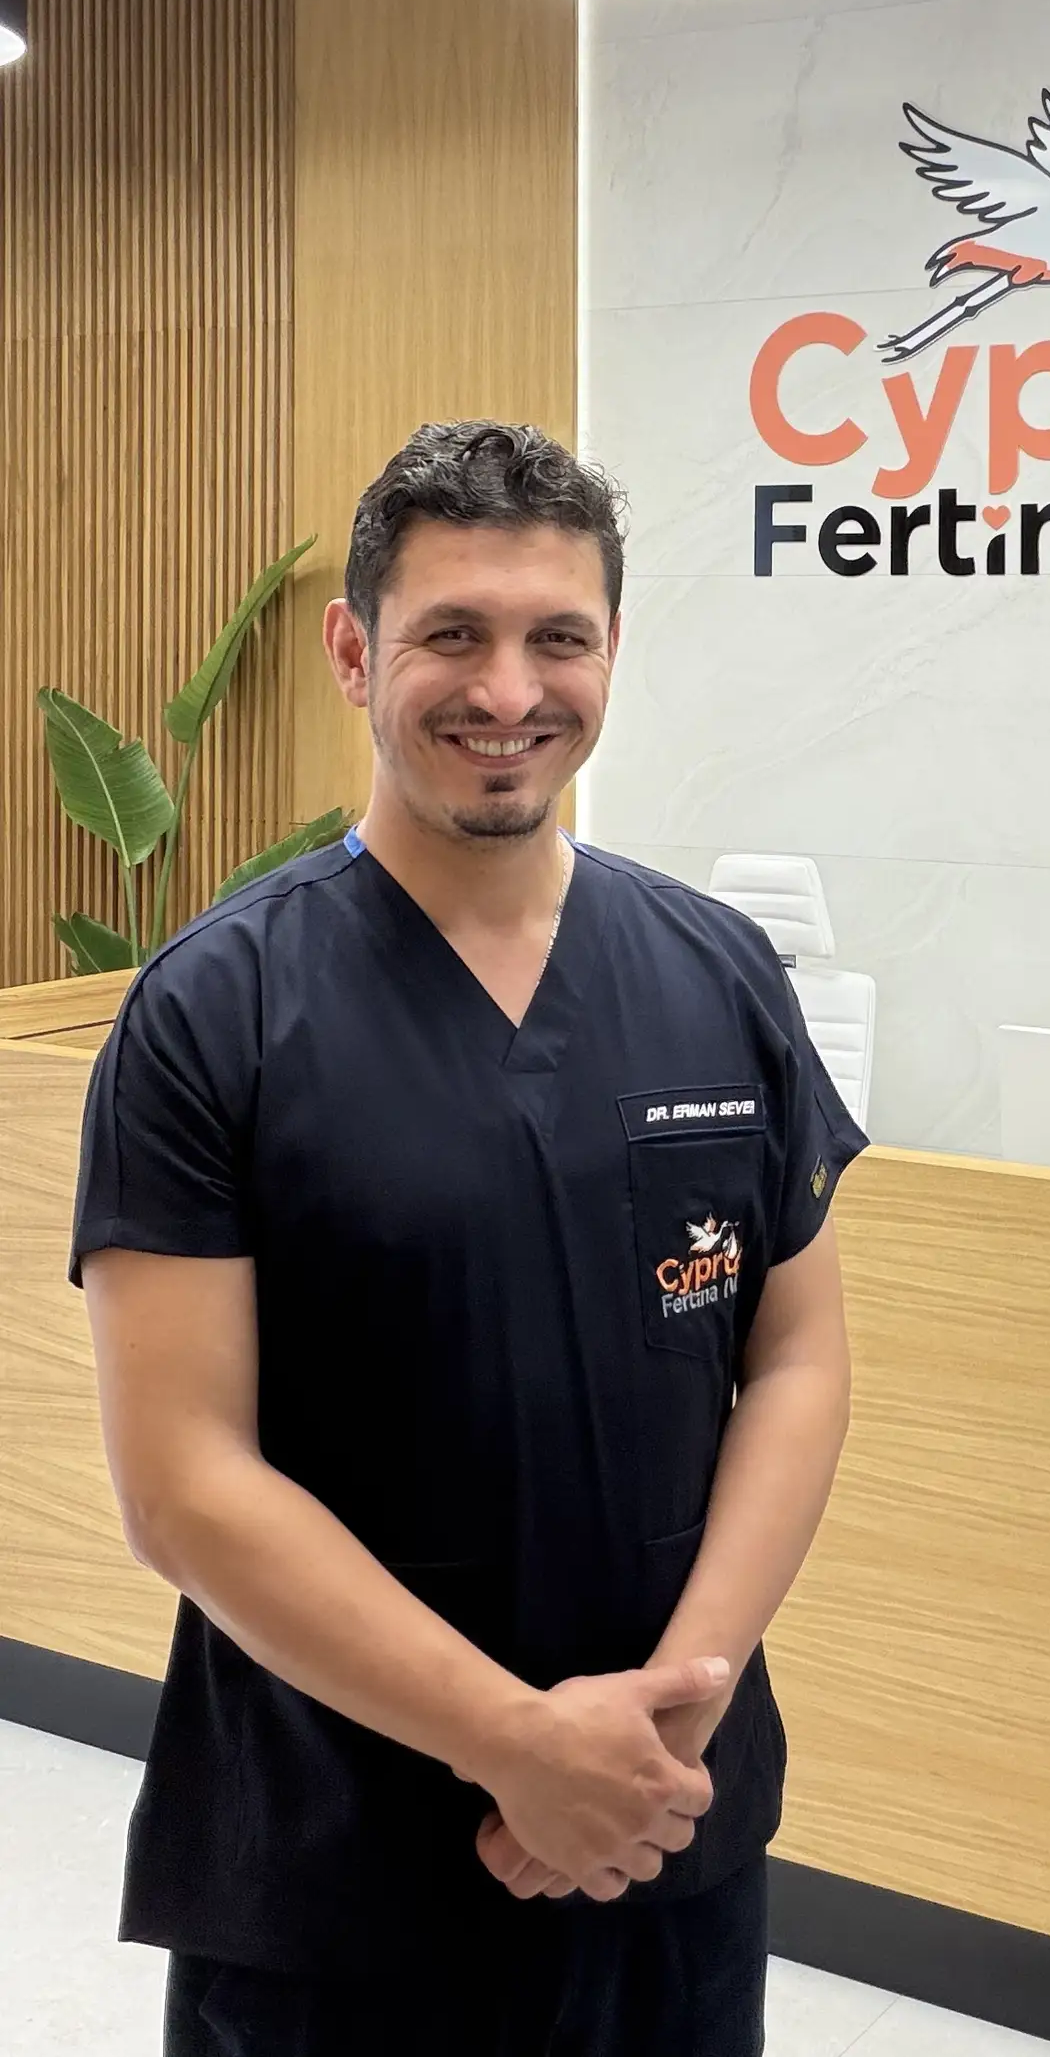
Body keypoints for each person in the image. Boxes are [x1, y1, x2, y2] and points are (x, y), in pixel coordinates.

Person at [72, 420, 868, 2057]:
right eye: (453, 633)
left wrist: (671, 1715)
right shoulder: (215, 1013)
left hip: (667, 1837)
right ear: (354, 652)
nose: (509, 690)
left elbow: (795, 1357)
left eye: (556, 637)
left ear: (612, 651)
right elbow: (184, 1483)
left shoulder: (720, 975)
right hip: (331, 1876)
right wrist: (514, 1744)